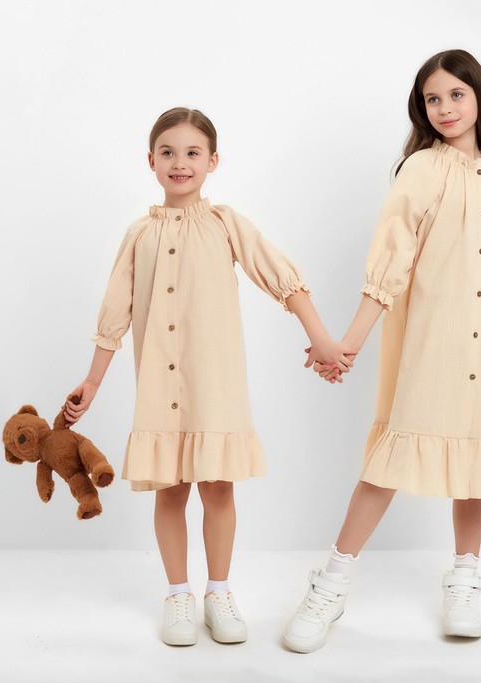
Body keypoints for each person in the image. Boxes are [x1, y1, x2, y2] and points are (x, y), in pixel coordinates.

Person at [65, 107, 353, 647]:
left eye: (192, 152)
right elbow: (115, 311)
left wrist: (320, 337)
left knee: (219, 487)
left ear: (213, 161)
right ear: (151, 161)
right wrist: (93, 381)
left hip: (215, 385)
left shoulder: (225, 224)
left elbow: (279, 275)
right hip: (160, 386)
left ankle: (218, 592)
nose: (180, 162)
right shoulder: (139, 234)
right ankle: (178, 595)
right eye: (168, 152)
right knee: (170, 490)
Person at [284, 49, 481, 653]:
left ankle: (465, 579)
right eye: (432, 99)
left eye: (456, 94)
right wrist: (348, 343)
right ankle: (331, 581)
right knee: (390, 461)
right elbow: (390, 265)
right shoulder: (421, 170)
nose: (445, 108)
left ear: (479, 96)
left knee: (476, 462)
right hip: (434, 344)